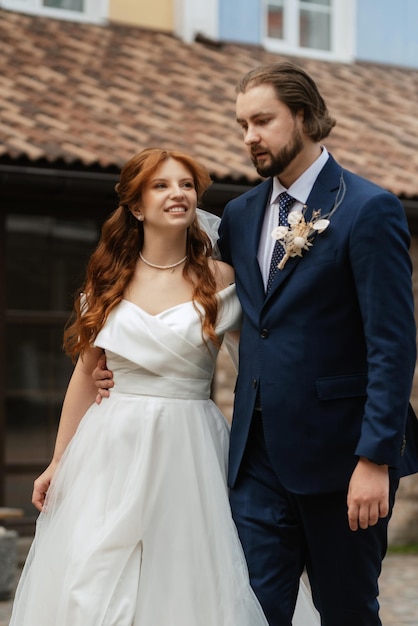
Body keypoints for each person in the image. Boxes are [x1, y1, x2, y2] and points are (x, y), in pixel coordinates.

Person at [94, 64, 418, 626]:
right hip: (254, 459)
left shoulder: (368, 209)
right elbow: (161, 259)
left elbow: (392, 345)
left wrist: (375, 458)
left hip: (341, 459)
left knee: (346, 610)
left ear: (306, 117)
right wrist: (122, 359)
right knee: (249, 610)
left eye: (262, 121)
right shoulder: (240, 217)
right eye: (242, 123)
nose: (249, 137)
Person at [9, 147, 319, 626]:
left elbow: (257, 364)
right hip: (111, 443)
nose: (178, 193)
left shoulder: (223, 279)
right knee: (91, 581)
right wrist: (57, 460)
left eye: (186, 184)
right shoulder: (110, 278)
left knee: (191, 576)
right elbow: (84, 374)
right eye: (161, 185)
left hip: (190, 444)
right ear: (136, 206)